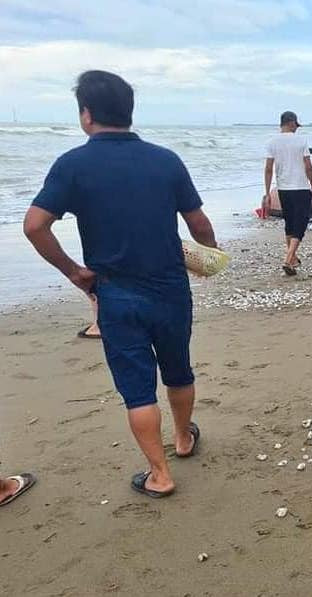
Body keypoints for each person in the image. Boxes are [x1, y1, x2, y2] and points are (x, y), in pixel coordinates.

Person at [24, 70, 217, 498]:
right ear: (130, 112)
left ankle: (160, 475)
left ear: (86, 115)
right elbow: (199, 224)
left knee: (136, 388)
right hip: (169, 287)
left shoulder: (72, 165)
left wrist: (73, 271)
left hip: (115, 292)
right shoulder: (165, 160)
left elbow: (35, 226)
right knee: (178, 369)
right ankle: (184, 438)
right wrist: (209, 257)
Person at [265, 111, 312, 276]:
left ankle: (293, 258)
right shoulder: (301, 141)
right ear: (292, 123)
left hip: (283, 188)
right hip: (300, 187)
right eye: (296, 125)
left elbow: (268, 169)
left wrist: (267, 193)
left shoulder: (272, 142)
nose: (296, 128)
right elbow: (308, 166)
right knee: (300, 225)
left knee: (289, 223)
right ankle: (288, 259)